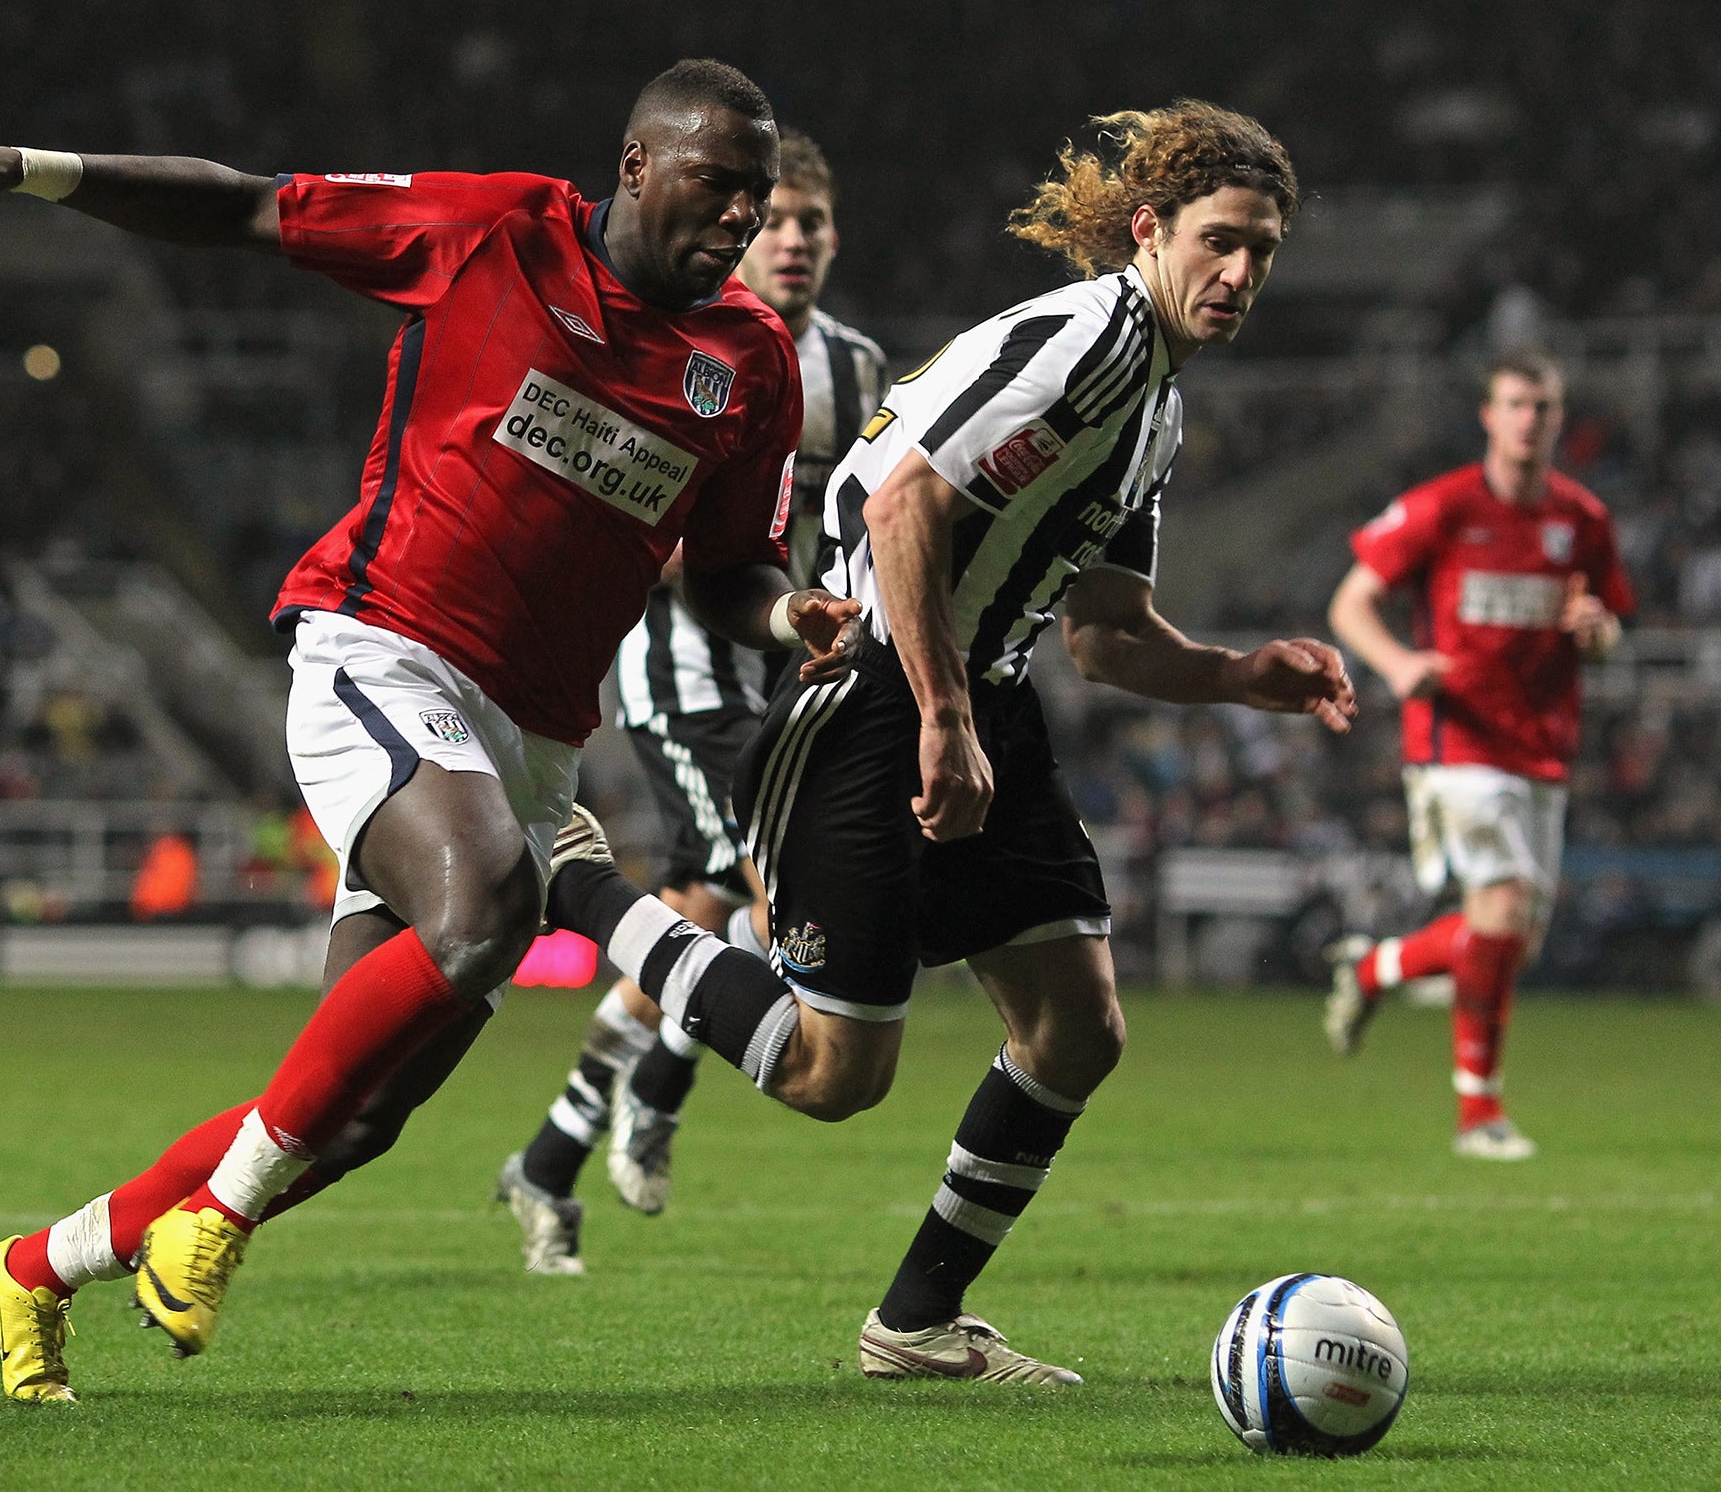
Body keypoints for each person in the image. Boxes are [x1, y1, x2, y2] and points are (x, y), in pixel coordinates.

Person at [0, 58, 862, 1402]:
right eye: (717, 186)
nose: (741, 217)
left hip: (532, 738)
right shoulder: (499, 231)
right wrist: (36, 170)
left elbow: (730, 567)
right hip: (382, 649)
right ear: (635, 166)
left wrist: (791, 615)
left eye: (758, 195)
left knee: (360, 1109)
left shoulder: (752, 363)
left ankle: (32, 1270)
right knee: (491, 902)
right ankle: (215, 1221)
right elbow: (248, 207)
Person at [545, 100, 1355, 1384]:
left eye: (1262, 251)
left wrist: (1237, 673)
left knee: (1076, 1027)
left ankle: (914, 1326)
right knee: (829, 1075)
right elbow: (902, 497)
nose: (1240, 274)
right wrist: (938, 713)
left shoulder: (1155, 411)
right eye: (1219, 242)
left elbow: (1102, 630)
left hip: (985, 697)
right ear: (1147, 231)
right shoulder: (1084, 339)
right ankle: (576, 879)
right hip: (873, 696)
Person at [499, 129, 888, 1273]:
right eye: (774, 221)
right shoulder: (687, 343)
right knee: (777, 906)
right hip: (685, 673)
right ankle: (658, 1092)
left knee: (703, 913)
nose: (792, 241)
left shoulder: (857, 369)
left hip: (789, 675)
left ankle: (549, 1159)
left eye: (811, 222)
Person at [1323, 351, 1632, 1159]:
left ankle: (1375, 968)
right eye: (1516, 404)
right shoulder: (1444, 506)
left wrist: (1597, 634)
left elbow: (1605, 629)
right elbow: (1351, 600)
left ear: (1559, 420)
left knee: (1511, 938)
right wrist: (1398, 666)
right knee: (1499, 912)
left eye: (1544, 406)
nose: (1530, 419)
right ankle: (1478, 1116)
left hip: (1542, 747)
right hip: (1458, 740)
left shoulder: (1584, 520)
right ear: (1489, 417)